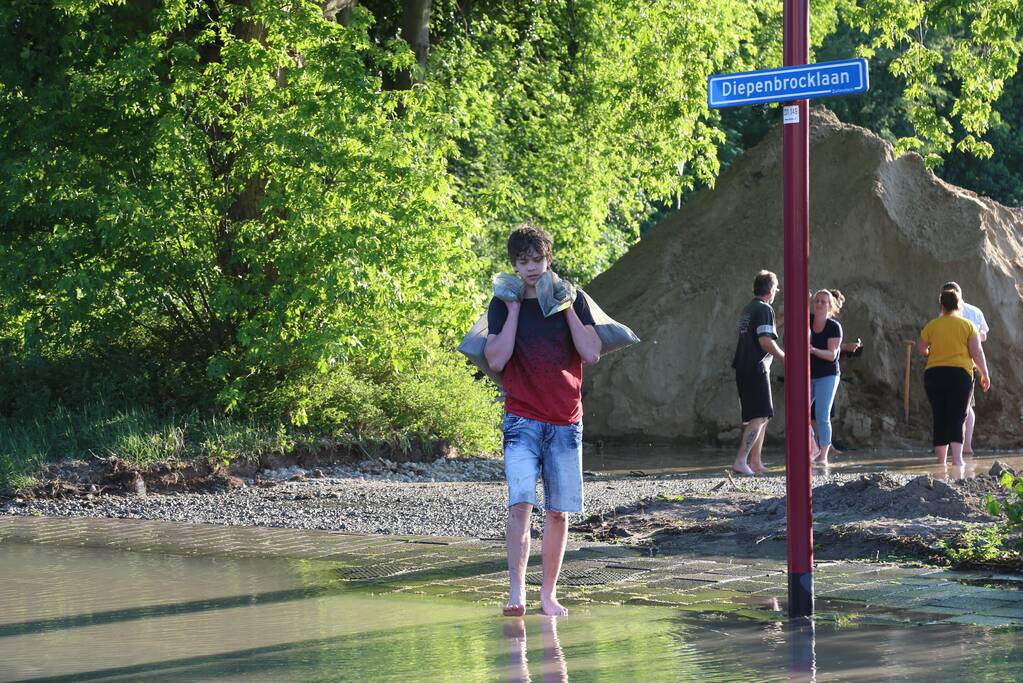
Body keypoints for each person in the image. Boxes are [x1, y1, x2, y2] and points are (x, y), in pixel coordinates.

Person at [484, 223, 601, 618]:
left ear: (549, 259)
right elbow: (496, 359)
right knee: (520, 504)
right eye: (523, 261)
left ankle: (548, 595)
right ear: (514, 265)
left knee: (558, 511)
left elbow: (591, 352)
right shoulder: (502, 304)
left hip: (566, 421)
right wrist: (515, 310)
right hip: (521, 418)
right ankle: (516, 593)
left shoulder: (574, 299)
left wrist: (566, 308)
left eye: (537, 259)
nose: (531, 267)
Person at [917, 288, 991, 467]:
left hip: (934, 374)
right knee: (958, 416)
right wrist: (984, 374)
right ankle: (957, 460)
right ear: (959, 305)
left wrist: (930, 351)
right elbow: (976, 352)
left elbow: (921, 350)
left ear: (941, 305)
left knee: (940, 415)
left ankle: (941, 461)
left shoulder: (932, 325)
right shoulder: (968, 325)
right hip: (960, 375)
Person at [731, 270, 785, 475]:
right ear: (771, 290)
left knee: (761, 415)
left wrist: (780, 320)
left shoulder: (750, 308)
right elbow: (764, 340)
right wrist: (784, 358)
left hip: (744, 367)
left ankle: (755, 462)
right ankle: (741, 461)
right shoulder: (764, 309)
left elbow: (762, 332)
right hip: (756, 368)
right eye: (776, 289)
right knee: (761, 415)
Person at [942, 281, 989, 455]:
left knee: (952, 407)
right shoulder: (975, 311)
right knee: (966, 407)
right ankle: (966, 446)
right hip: (969, 365)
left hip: (949, 364)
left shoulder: (947, 312)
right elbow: (983, 336)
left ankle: (954, 447)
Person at [808, 290, 843, 465]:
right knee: (800, 415)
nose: (820, 304)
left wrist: (812, 350)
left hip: (828, 375)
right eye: (817, 301)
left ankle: (823, 456)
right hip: (807, 374)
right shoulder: (806, 320)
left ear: (830, 306)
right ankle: (811, 448)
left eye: (824, 301)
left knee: (822, 415)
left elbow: (832, 355)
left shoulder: (834, 326)